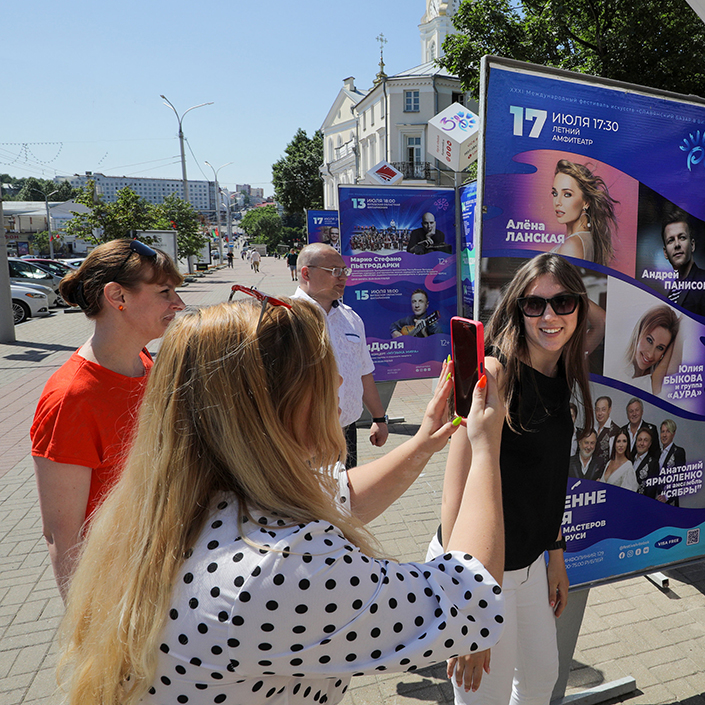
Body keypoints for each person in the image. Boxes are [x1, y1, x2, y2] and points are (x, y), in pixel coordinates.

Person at [57, 298, 507, 705]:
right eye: (320, 371)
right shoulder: (281, 563)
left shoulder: (173, 502)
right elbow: (470, 602)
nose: (340, 379)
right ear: (268, 408)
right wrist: (485, 447)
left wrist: (423, 444)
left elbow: (340, 498)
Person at [436, 252, 594, 704]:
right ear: (517, 307)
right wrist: (468, 606)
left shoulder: (563, 368)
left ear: (579, 308)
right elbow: (454, 494)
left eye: (563, 302)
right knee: (484, 696)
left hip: (528, 568)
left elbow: (547, 478)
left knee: (542, 682)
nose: (549, 315)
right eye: (534, 304)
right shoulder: (493, 373)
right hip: (480, 569)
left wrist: (556, 555)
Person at [31, 238, 185, 600]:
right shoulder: (71, 398)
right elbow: (62, 535)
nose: (178, 304)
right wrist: (85, 629)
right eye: (164, 291)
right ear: (118, 296)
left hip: (163, 575)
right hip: (119, 593)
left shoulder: (145, 364)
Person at [296, 243, 389, 469]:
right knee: (313, 502)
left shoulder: (351, 319)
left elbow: (364, 372)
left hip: (347, 430)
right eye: (335, 271)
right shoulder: (288, 317)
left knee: (347, 497)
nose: (343, 278)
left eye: (345, 271)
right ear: (306, 273)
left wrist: (379, 418)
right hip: (305, 438)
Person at [550, 159, 618, 266]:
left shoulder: (572, 245)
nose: (557, 202)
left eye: (567, 194)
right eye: (555, 193)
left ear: (586, 202)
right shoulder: (585, 239)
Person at [661, 210, 705, 319]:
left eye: (682, 237)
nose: (677, 245)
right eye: (671, 240)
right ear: (665, 253)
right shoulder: (673, 288)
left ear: (692, 245)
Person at [626, 305, 681, 395]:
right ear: (639, 331)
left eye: (660, 348)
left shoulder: (657, 378)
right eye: (649, 340)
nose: (650, 355)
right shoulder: (619, 369)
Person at [656, 419, 687, 505]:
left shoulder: (678, 452)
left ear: (673, 434)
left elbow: (680, 478)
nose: (664, 435)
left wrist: (666, 497)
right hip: (655, 499)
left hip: (669, 502)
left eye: (668, 431)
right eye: (662, 431)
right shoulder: (657, 453)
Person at [632, 426, 662, 498]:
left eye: (645, 440)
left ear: (649, 444)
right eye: (639, 440)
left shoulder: (653, 464)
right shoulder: (629, 460)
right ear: (636, 442)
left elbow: (651, 491)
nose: (641, 443)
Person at [593, 395, 622, 469]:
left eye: (603, 409)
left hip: (606, 476)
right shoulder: (592, 430)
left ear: (609, 410)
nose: (600, 413)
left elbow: (616, 459)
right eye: (597, 410)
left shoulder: (616, 431)